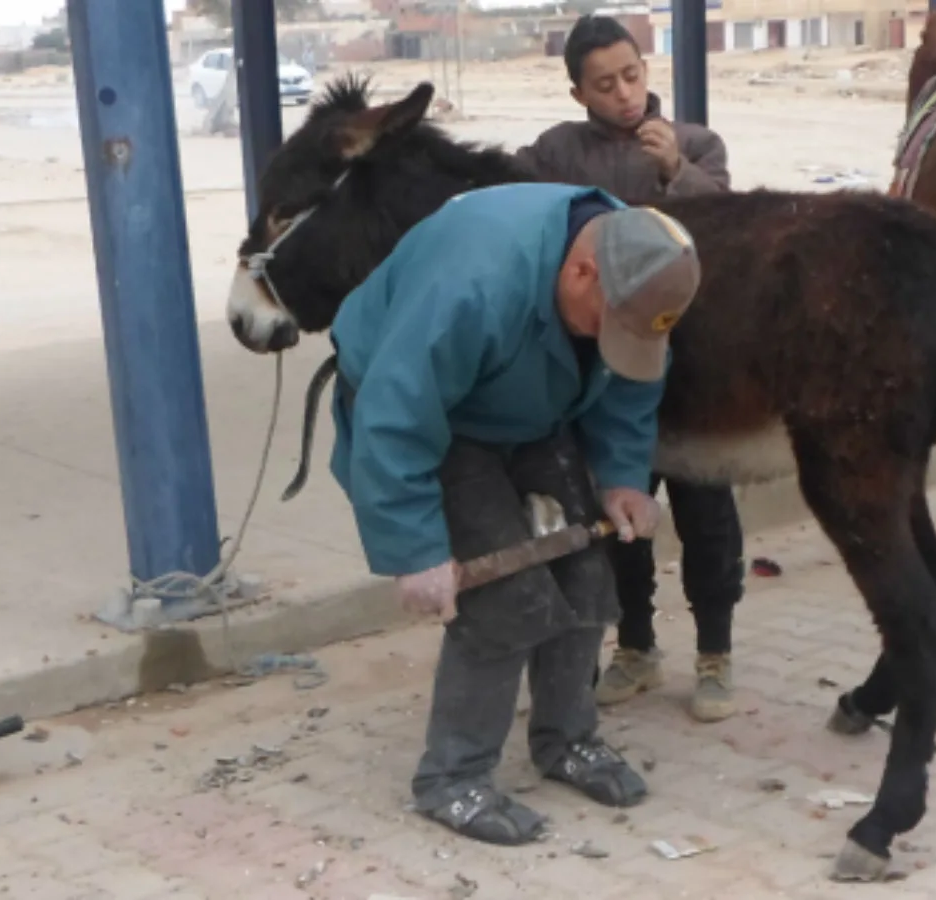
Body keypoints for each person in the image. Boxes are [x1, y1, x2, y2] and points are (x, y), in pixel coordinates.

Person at [327, 182, 702, 845]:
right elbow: (396, 414)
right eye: (606, 325)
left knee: (588, 576)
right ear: (581, 271)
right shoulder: (471, 282)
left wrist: (622, 475)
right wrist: (414, 549)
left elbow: (631, 378)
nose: (610, 340)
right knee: (504, 599)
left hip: (529, 399)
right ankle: (453, 777)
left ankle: (566, 740)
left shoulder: (641, 264)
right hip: (428, 411)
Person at [513, 13, 745, 723]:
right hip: (608, 371)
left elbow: (731, 232)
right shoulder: (557, 153)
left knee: (707, 515)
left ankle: (715, 654)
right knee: (619, 513)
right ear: (578, 93)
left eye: (632, 76)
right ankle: (636, 646)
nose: (624, 95)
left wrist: (677, 171)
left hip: (694, 370)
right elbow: (514, 206)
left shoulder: (696, 144)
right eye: (605, 84)